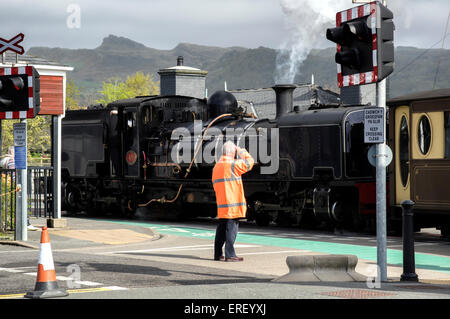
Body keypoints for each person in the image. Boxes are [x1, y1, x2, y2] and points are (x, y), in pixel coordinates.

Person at [212, 141, 254, 262]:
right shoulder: (233, 165)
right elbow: (250, 161)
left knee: (221, 228)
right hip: (233, 203)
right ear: (232, 152)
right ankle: (230, 255)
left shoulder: (216, 166)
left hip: (222, 203)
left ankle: (218, 254)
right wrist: (241, 150)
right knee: (231, 229)